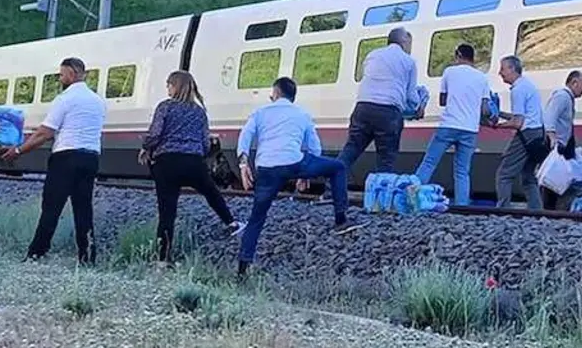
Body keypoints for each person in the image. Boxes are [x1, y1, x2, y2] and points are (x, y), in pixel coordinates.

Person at [237, 77, 355, 280]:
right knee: (338, 167)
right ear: (293, 96)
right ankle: (340, 219)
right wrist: (306, 174)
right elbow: (314, 147)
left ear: (275, 93)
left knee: (256, 218)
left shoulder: (260, 112)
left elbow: (245, 135)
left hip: (266, 168)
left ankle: (242, 270)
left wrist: (243, 163)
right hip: (295, 163)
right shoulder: (302, 114)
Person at [5, 57, 107, 264]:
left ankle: (36, 253)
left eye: (61, 75)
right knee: (83, 208)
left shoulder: (64, 99)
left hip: (66, 158)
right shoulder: (98, 101)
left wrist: (18, 150)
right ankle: (87, 257)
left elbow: (45, 133)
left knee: (51, 207)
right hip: (91, 158)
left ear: (71, 73)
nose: (60, 79)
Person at [139, 71, 244, 265]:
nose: (167, 88)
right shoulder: (199, 112)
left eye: (169, 84)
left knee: (167, 212)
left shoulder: (165, 107)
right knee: (211, 192)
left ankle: (162, 260)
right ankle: (231, 222)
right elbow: (205, 143)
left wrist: (145, 148)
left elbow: (155, 134)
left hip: (166, 163)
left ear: (175, 86)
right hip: (193, 162)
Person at [413, 43, 490, 207]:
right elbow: (485, 109)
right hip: (470, 129)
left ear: (459, 55)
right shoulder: (482, 77)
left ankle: (413, 198)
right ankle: (462, 206)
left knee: (429, 163)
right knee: (462, 171)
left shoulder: (449, 72)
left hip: (449, 125)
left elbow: (442, 101)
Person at [338, 26, 421, 175]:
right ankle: (381, 190)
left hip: (363, 108)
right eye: (409, 43)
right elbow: (411, 97)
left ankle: (332, 185)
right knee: (386, 160)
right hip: (388, 113)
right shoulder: (408, 61)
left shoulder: (372, 55)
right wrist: (417, 108)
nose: (410, 48)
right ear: (404, 41)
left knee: (350, 151)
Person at [492, 55, 547, 210]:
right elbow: (522, 115)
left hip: (526, 135)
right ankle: (537, 211)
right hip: (538, 134)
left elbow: (518, 123)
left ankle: (502, 209)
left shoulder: (518, 90)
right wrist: (500, 113)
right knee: (528, 175)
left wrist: (496, 126)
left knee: (504, 174)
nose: (500, 73)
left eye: (502, 69)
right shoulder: (527, 85)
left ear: (512, 68)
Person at [541, 69, 582, 211]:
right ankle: (550, 210)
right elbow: (550, 116)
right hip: (557, 144)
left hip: (563, 144)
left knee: (560, 179)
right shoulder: (562, 97)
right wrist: (552, 136)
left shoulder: (568, 98)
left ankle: (554, 209)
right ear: (574, 83)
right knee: (553, 180)